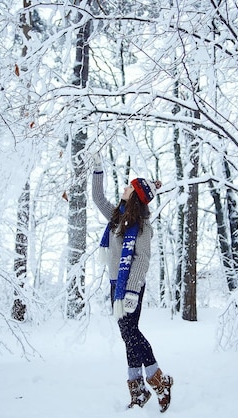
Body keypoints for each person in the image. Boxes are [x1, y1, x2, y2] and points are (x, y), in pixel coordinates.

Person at [91, 154, 174, 413]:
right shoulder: (117, 217)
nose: (124, 188)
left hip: (129, 288)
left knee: (131, 334)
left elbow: (142, 258)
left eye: (129, 186)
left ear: (136, 195)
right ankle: (139, 390)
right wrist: (97, 170)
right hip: (115, 284)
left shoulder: (142, 226)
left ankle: (158, 381)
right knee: (128, 336)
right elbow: (98, 198)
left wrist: (132, 291)